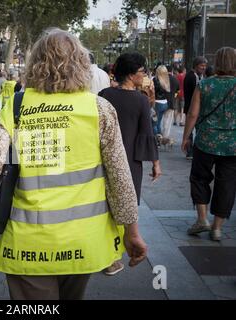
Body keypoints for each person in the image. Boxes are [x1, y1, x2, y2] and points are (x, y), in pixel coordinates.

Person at [0, 28, 147, 300]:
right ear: (82, 65)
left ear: (36, 64)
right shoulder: (99, 108)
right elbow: (120, 177)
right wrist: (132, 232)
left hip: (29, 240)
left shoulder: (16, 106)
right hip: (84, 238)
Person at [99, 52, 161, 276]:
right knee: (126, 206)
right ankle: (114, 255)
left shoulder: (104, 94)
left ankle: (108, 256)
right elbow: (147, 133)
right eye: (143, 72)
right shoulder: (140, 100)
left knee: (105, 206)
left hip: (104, 158)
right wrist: (155, 162)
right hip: (130, 162)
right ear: (132, 75)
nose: (144, 75)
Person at [182, 47, 236, 241]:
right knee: (227, 183)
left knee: (199, 178)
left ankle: (202, 219)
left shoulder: (205, 84)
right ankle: (217, 228)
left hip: (205, 141)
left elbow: (193, 114)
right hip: (232, 145)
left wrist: (186, 137)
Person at [183, 56, 207, 160]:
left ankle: (194, 151)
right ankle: (190, 152)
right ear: (196, 66)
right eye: (202, 66)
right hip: (191, 108)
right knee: (190, 131)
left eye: (205, 66)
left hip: (194, 108)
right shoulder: (191, 77)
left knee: (195, 130)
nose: (204, 68)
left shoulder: (198, 76)